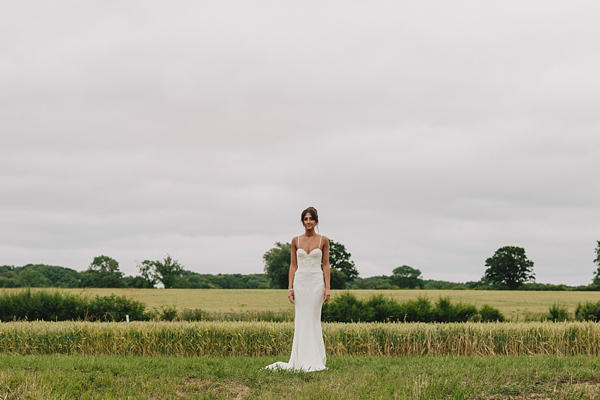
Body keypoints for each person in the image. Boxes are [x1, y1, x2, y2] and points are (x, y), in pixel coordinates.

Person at [265, 206, 331, 372]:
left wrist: (327, 288)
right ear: (302, 221)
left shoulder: (324, 240)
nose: (308, 222)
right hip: (300, 282)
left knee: (313, 318)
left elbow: (325, 264)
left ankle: (316, 359)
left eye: (311, 219)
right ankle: (300, 359)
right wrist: (290, 288)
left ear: (316, 221)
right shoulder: (296, 241)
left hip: (316, 282)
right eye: (305, 219)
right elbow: (293, 265)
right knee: (301, 318)